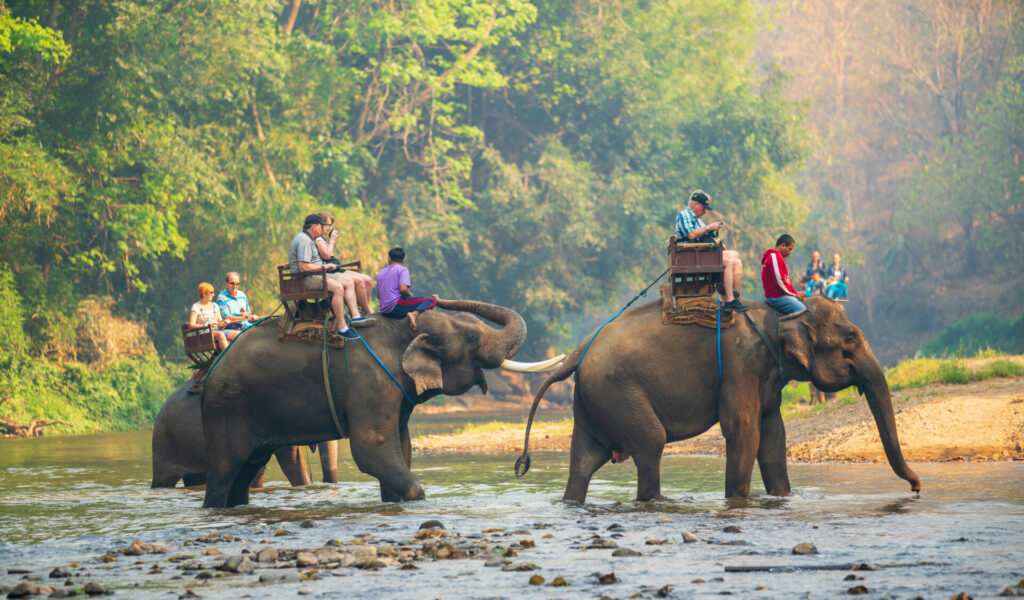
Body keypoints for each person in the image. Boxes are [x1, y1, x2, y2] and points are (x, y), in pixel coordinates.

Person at [288, 214, 375, 339]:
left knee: (348, 282)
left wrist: (324, 266)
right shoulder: (304, 241)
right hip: (306, 279)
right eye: (320, 226)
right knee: (338, 287)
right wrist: (324, 267)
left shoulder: (306, 239)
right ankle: (342, 327)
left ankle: (355, 316)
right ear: (314, 226)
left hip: (316, 275)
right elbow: (304, 267)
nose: (322, 229)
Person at [673, 189, 747, 312]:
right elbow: (691, 235)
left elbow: (702, 236)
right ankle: (729, 299)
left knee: (736, 257)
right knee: (728, 262)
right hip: (691, 256)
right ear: (695, 205)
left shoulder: (697, 219)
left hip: (700, 253)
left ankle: (736, 298)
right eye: (704, 208)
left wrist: (715, 241)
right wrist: (708, 227)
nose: (705, 212)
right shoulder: (684, 215)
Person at [315, 211, 375, 317]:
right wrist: (332, 240)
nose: (330, 228)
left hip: (335, 267)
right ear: (320, 225)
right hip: (329, 270)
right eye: (328, 225)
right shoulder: (318, 239)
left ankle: (364, 308)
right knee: (359, 281)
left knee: (368, 280)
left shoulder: (322, 238)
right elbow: (326, 256)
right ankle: (366, 312)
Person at [376, 247, 436, 331]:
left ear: (389, 259)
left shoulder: (381, 273)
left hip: (384, 310)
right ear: (403, 260)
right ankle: (414, 314)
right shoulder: (402, 270)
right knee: (431, 300)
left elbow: (379, 296)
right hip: (396, 307)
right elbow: (403, 289)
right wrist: (409, 295)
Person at [761, 233, 807, 315]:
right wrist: (795, 294)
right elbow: (780, 281)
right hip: (776, 297)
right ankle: (786, 327)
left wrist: (794, 294)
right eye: (789, 249)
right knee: (803, 311)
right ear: (783, 245)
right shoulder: (774, 256)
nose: (790, 252)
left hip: (781, 296)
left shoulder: (778, 257)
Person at [216, 272, 258, 341]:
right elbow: (227, 317)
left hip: (246, 326)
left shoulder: (242, 295)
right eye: (232, 283)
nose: (235, 286)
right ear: (226, 283)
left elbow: (247, 313)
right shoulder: (222, 297)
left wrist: (251, 316)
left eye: (237, 284)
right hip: (233, 328)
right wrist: (244, 317)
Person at [189, 282, 229, 352]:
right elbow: (191, 325)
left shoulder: (215, 306)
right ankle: (229, 358)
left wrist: (224, 323)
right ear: (204, 294)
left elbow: (219, 321)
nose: (213, 295)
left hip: (217, 331)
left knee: (236, 334)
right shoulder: (196, 307)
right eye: (211, 292)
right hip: (204, 335)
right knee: (220, 335)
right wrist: (206, 325)